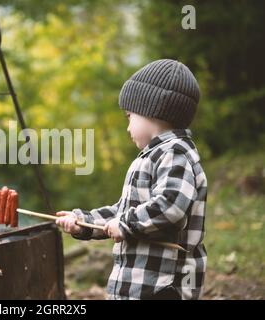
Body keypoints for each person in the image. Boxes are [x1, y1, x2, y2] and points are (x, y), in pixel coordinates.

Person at [56, 59, 207, 300]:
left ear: (153, 110)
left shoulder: (175, 154)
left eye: (129, 116)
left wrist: (125, 225)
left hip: (163, 286)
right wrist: (83, 222)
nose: (127, 127)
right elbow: (123, 211)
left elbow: (170, 207)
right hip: (139, 283)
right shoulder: (152, 156)